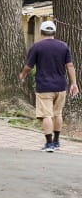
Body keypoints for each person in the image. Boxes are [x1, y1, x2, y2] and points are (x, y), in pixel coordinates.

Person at [19, 20, 79, 152]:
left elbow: (29, 66)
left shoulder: (37, 47)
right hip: (61, 86)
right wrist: (74, 83)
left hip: (44, 87)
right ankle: (57, 142)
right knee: (58, 114)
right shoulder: (64, 46)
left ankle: (49, 144)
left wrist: (22, 75)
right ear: (54, 33)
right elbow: (70, 66)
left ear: (41, 33)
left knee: (47, 115)